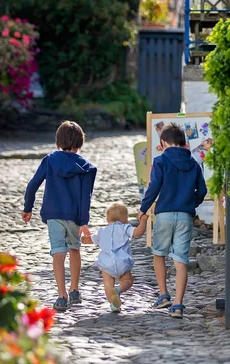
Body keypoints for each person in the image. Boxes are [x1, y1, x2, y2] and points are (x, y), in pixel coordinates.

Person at [22, 121, 97, 312]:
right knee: (74, 250)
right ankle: (74, 289)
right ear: (80, 142)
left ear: (58, 141)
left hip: (54, 214)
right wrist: (83, 222)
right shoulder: (86, 168)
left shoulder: (49, 160)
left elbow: (33, 185)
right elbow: (85, 198)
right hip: (74, 216)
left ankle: (61, 295)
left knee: (58, 252)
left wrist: (28, 207)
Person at [138, 123, 208, 319]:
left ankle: (163, 295)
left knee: (159, 253)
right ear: (183, 143)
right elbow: (202, 190)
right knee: (180, 260)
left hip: (165, 215)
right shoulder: (193, 163)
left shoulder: (160, 162)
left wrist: (143, 209)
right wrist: (190, 203)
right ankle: (178, 305)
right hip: (185, 216)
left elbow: (154, 187)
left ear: (163, 143)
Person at [81, 202, 148, 313]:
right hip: (122, 263)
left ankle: (114, 305)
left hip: (107, 264)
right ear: (125, 219)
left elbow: (88, 240)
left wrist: (82, 238)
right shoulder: (126, 228)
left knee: (108, 285)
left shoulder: (102, 231)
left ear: (107, 219)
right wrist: (144, 221)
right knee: (128, 281)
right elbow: (139, 232)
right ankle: (118, 290)